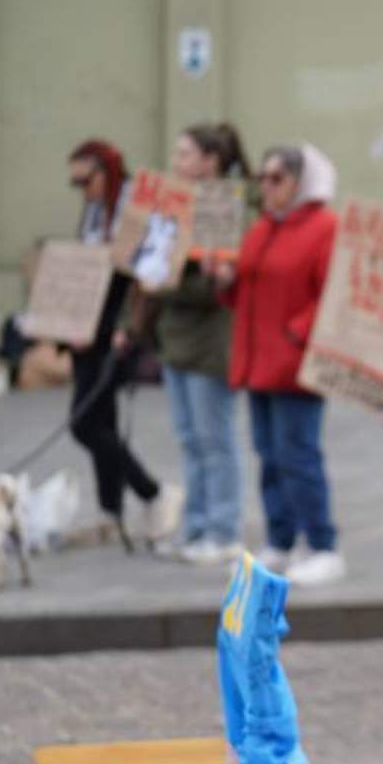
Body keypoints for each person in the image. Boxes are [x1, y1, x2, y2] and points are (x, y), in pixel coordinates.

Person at [217, 143, 343, 586]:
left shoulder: (324, 227)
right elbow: (248, 287)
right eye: (263, 178)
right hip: (258, 361)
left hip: (294, 364)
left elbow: (332, 293)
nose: (267, 187)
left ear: (299, 182)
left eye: (276, 179)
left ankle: (323, 544)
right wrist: (226, 282)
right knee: (269, 454)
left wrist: (296, 333)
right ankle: (281, 539)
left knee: (298, 455)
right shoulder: (264, 226)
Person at [65, 138, 181, 546]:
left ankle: (154, 492)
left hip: (116, 325)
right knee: (102, 421)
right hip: (86, 329)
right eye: (74, 183)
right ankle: (109, 512)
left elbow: (142, 273)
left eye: (86, 180)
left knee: (82, 423)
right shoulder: (96, 211)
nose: (82, 190)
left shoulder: (134, 209)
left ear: (108, 172)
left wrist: (127, 327)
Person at [144, 123, 248, 565]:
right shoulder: (170, 209)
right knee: (189, 439)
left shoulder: (227, 211)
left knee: (213, 438)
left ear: (211, 161)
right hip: (177, 341)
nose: (177, 163)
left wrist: (166, 284)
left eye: (186, 155)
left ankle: (223, 530)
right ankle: (196, 526)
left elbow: (216, 290)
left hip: (210, 344)